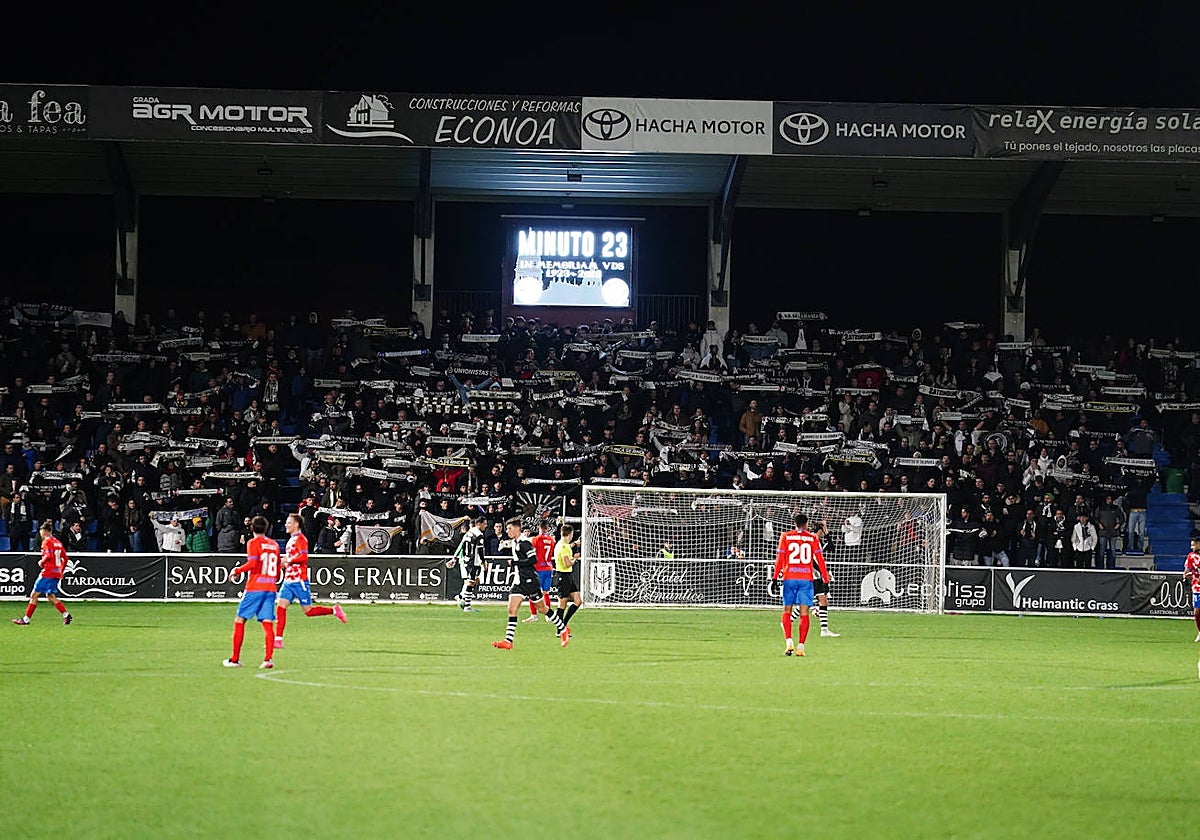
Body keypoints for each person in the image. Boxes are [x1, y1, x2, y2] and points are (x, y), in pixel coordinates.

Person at [492, 517, 569, 650]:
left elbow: (533, 559)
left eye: (510, 528)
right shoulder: (515, 542)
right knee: (512, 609)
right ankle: (508, 641)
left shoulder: (524, 543)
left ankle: (563, 629)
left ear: (517, 528)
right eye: (507, 529)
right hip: (519, 581)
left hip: (529, 580)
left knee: (542, 609)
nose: (508, 531)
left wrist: (515, 563)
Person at [274, 513, 346, 649]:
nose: (286, 525)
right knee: (280, 608)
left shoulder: (300, 539)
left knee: (308, 611)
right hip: (288, 580)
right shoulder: (291, 540)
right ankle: (278, 639)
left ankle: (334, 610)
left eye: (289, 523)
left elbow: (303, 557)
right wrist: (283, 562)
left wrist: (288, 560)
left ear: (296, 524)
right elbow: (291, 558)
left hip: (299, 581)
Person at [223, 515, 281, 669]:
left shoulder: (253, 543)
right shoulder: (274, 545)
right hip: (270, 588)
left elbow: (253, 562)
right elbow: (277, 574)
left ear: (251, 528)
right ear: (266, 528)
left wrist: (237, 570)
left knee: (240, 620)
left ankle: (235, 659)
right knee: (268, 623)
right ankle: (268, 659)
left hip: (255, 587)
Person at [773, 512, 829, 657]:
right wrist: (825, 579)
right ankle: (801, 647)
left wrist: (774, 578)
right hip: (806, 579)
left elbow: (780, 558)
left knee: (787, 611)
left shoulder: (785, 536)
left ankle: (788, 641)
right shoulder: (812, 538)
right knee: (804, 613)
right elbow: (820, 560)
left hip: (789, 578)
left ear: (794, 524)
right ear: (806, 524)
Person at [12, 521, 73, 626]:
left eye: (41, 532)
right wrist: (61, 571)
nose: (41, 535)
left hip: (48, 572)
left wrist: (42, 562)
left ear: (45, 531)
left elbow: (48, 556)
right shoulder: (57, 542)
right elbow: (65, 558)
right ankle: (66, 615)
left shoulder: (47, 541)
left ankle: (26, 619)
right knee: (50, 595)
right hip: (56, 572)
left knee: (34, 595)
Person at [792, 518, 839, 637]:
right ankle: (789, 620)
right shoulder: (811, 539)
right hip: (811, 574)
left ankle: (824, 630)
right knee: (809, 601)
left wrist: (826, 530)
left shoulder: (817, 540)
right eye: (823, 532)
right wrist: (823, 572)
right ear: (820, 531)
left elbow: (832, 548)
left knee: (822, 599)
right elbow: (811, 560)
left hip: (816, 574)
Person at [449, 515, 488, 612]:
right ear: (479, 524)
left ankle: (462, 598)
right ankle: (467, 606)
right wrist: (483, 562)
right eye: (484, 524)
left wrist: (455, 557)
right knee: (471, 582)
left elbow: (462, 545)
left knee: (469, 582)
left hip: (466, 560)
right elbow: (480, 551)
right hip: (473, 561)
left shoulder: (469, 533)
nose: (486, 526)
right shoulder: (479, 535)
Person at [551, 523, 582, 635]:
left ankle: (563, 625)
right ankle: (560, 630)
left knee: (578, 601)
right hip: (562, 576)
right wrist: (575, 559)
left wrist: (575, 544)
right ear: (571, 534)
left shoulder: (563, 544)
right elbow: (567, 563)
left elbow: (568, 547)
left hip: (568, 576)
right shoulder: (563, 547)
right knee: (562, 604)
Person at [524, 520, 556, 622]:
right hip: (548, 567)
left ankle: (534, 615)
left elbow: (530, 550)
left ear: (539, 527)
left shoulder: (536, 539)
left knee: (532, 591)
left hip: (538, 568)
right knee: (546, 592)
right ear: (547, 528)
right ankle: (548, 615)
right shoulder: (551, 539)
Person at [1184, 539, 1200, 644]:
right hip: (1197, 587)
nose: (1192, 547)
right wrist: (1185, 577)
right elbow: (1187, 569)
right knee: (1196, 611)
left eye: (1193, 545)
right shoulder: (1190, 556)